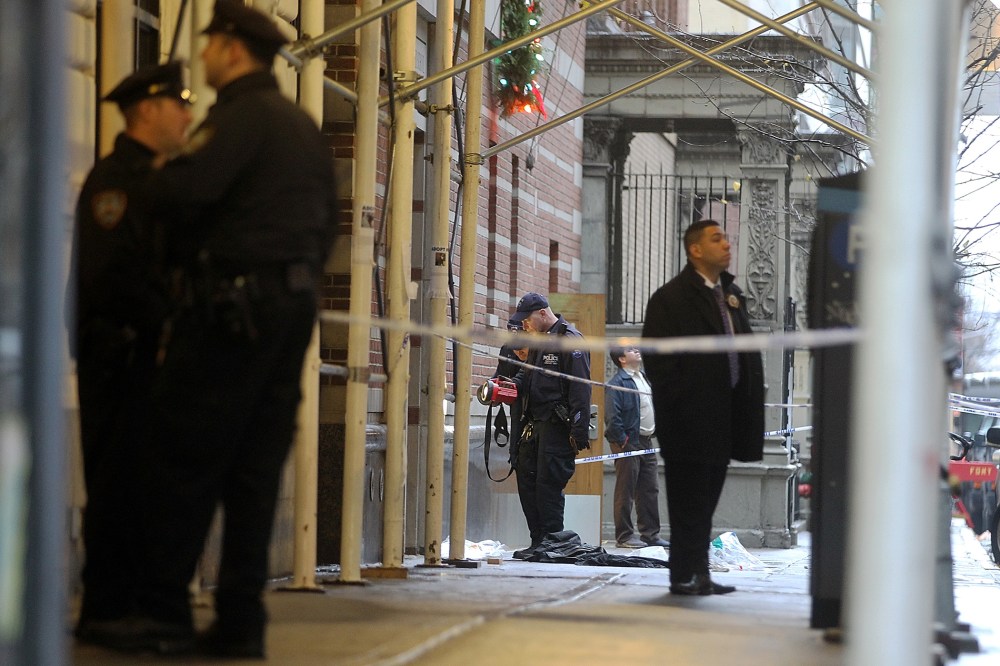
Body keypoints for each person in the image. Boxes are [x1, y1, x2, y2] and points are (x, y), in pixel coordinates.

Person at [90, 0, 337, 657]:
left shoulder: (235, 120)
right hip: (291, 315)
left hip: (230, 317)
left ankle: (164, 612)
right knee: (255, 472)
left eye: (209, 45)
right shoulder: (301, 128)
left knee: (183, 461)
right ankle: (239, 620)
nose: (201, 58)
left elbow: (183, 195)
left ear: (232, 49)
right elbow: (328, 226)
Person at [69, 62, 193, 640]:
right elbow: (111, 276)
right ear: (146, 111)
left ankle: (134, 605)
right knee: (118, 485)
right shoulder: (117, 181)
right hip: (119, 358)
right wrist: (169, 318)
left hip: (151, 358)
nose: (187, 114)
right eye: (178, 104)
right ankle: (106, 610)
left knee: (148, 487)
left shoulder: (160, 176)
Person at [641, 220, 764, 596]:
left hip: (726, 417)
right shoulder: (672, 298)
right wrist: (681, 402)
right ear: (695, 249)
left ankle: (700, 573)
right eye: (717, 239)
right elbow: (659, 362)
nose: (727, 244)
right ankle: (683, 575)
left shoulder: (730, 294)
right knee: (687, 499)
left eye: (725, 238)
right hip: (689, 419)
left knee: (706, 499)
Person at [507, 293, 592, 559]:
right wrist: (509, 387)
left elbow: (580, 388)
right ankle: (537, 542)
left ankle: (553, 544)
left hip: (557, 426)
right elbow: (525, 374)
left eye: (528, 320)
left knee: (548, 486)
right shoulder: (539, 342)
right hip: (533, 426)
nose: (525, 326)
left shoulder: (570, 340)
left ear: (543, 314)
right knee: (526, 480)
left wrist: (579, 431)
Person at [605, 347, 669, 549]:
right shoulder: (617, 384)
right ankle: (624, 536)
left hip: (646, 441)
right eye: (631, 350)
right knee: (626, 490)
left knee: (650, 488)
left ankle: (650, 534)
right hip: (628, 442)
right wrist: (623, 441)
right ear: (622, 359)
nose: (637, 350)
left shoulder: (644, 378)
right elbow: (612, 417)